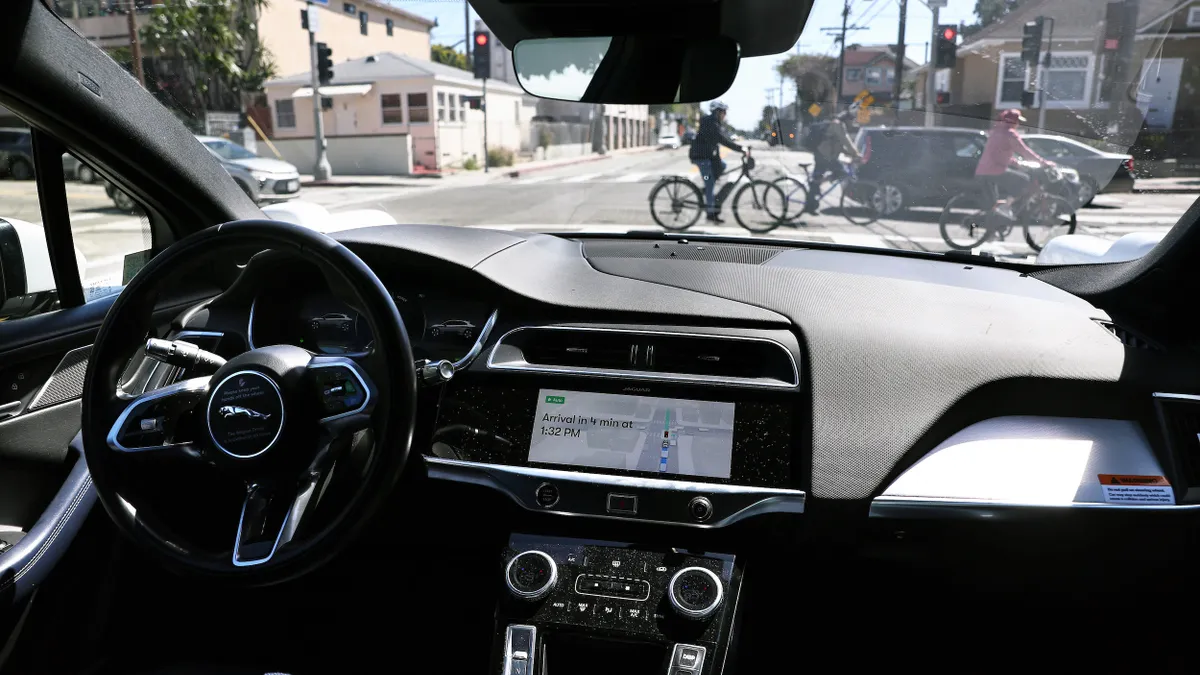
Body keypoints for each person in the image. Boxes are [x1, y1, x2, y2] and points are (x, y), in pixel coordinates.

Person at [975, 108, 1054, 220]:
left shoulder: (996, 132)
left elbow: (999, 153)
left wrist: (1015, 163)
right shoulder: (1010, 134)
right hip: (995, 170)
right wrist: (1043, 162)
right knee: (1024, 180)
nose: (1018, 124)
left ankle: (994, 225)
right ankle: (1006, 208)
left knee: (994, 204)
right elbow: (1025, 151)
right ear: (1012, 122)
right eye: (1017, 121)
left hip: (983, 170)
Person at [689, 101, 746, 223]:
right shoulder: (711, 123)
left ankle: (707, 189)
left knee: (723, 166)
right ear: (718, 112)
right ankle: (711, 214)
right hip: (701, 157)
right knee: (710, 185)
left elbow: (718, 141)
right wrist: (740, 149)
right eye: (723, 112)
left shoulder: (713, 122)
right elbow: (722, 140)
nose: (725, 114)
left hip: (706, 155)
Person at [804, 110, 863, 215]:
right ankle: (817, 186)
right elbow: (846, 141)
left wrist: (849, 153)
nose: (852, 123)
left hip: (823, 154)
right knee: (841, 173)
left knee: (817, 180)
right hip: (825, 156)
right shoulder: (837, 125)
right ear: (847, 119)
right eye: (852, 120)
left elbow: (837, 143)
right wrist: (856, 154)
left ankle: (810, 205)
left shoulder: (836, 125)